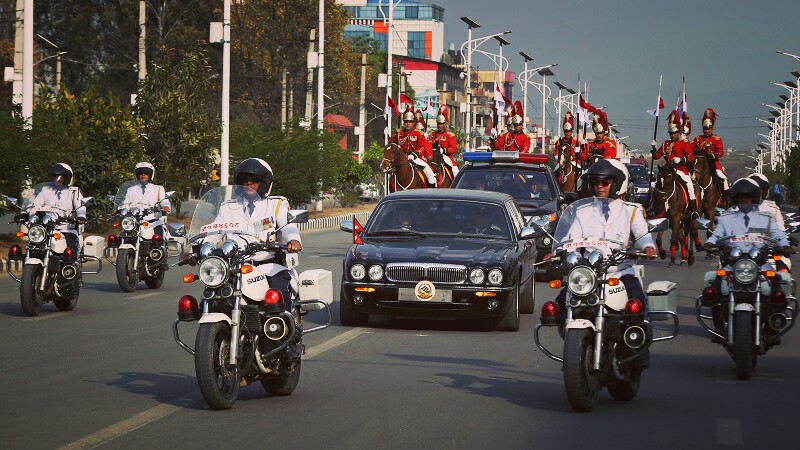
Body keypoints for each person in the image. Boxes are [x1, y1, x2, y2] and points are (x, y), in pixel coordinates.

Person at [544, 160, 657, 362]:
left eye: (605, 182)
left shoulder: (631, 210)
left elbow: (642, 233)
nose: (600, 186)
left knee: (637, 302)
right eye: (596, 182)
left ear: (616, 184)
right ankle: (572, 340)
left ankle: (639, 344)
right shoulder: (582, 211)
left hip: (620, 272)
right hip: (590, 274)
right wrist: (558, 252)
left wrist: (648, 246)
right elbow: (570, 238)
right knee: (561, 301)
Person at [703, 178, 792, 336]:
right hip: (733, 263)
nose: (743, 200)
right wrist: (710, 243)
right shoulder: (726, 217)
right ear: (735, 200)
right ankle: (718, 324)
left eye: (747, 197)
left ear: (754, 198)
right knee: (715, 287)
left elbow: (778, 234)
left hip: (760, 263)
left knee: (776, 288)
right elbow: (717, 234)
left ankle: (773, 323)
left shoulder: (766, 218)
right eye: (740, 198)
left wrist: (785, 245)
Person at [207, 158, 302, 296]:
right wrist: (195, 248)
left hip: (269, 267)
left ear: (264, 182)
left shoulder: (276, 204)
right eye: (244, 179)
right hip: (235, 267)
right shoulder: (228, 207)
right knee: (214, 295)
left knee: (277, 295)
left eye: (254, 179)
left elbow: (287, 224)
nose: (249, 183)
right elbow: (213, 232)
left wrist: (293, 240)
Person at [651, 110, 698, 218]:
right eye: (671, 133)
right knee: (656, 186)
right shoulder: (665, 143)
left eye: (674, 133)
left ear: (679, 132)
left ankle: (693, 210)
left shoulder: (683, 143)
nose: (672, 135)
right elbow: (656, 156)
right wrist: (654, 148)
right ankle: (654, 207)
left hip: (680, 170)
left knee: (689, 185)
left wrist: (681, 159)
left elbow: (691, 156)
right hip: (668, 170)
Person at [28, 163, 87, 252]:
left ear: (68, 178)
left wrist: (81, 216)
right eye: (53, 177)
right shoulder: (46, 190)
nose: (56, 180)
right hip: (47, 229)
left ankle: (71, 261)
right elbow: (35, 205)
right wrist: (28, 214)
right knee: (33, 247)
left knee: (70, 251)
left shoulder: (74, 192)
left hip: (67, 229)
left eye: (60, 177)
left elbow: (80, 206)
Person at [120, 162, 171, 240]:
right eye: (140, 173)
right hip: (135, 223)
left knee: (159, 239)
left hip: (153, 223)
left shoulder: (158, 189)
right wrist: (119, 209)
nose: (143, 175)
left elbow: (164, 200)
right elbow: (126, 203)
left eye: (146, 173)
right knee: (121, 238)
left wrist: (165, 206)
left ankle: (162, 247)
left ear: (150, 175)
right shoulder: (131, 190)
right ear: (137, 175)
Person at [390, 105, 437, 188]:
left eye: (410, 122)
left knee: (430, 175)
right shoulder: (399, 133)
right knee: (391, 175)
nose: (408, 123)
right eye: (406, 121)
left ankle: (433, 189)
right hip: (402, 157)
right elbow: (392, 143)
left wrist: (414, 155)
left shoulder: (418, 133)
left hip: (415, 158)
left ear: (413, 122)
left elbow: (422, 147)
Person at [692, 108, 729, 197]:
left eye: (709, 129)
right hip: (699, 164)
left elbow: (720, 152)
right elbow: (690, 149)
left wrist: (713, 155)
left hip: (713, 163)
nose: (707, 131)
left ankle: (726, 197)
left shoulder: (717, 139)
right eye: (705, 129)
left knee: (722, 177)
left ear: (712, 129)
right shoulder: (698, 138)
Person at [428, 107, 459, 177]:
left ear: (445, 124)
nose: (439, 125)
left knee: (455, 171)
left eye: (441, 123)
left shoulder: (450, 135)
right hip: (434, 157)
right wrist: (433, 143)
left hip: (447, 157)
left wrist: (443, 150)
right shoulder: (432, 134)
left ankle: (456, 182)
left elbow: (453, 149)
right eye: (438, 123)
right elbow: (429, 145)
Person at [553, 111, 581, 181]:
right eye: (566, 131)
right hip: (562, 161)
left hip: (573, 162)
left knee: (581, 174)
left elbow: (579, 155)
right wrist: (559, 157)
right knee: (554, 173)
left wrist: (575, 155)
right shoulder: (559, 142)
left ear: (572, 131)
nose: (567, 133)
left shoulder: (576, 142)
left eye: (569, 131)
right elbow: (555, 152)